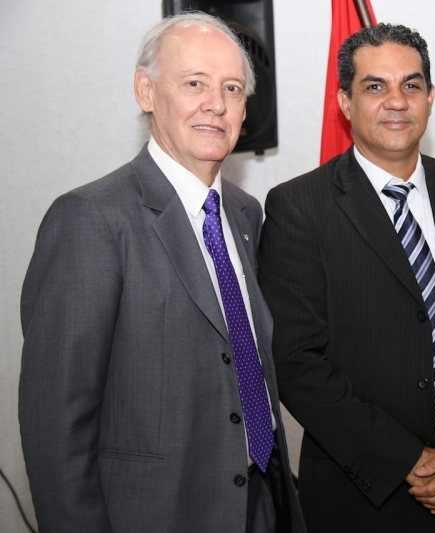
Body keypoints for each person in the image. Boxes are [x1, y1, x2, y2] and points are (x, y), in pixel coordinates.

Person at [19, 13, 305, 533]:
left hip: (262, 504)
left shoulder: (245, 215)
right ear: (146, 91)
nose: (215, 104)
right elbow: (55, 427)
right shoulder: (91, 219)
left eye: (232, 88)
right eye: (194, 83)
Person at [258, 23, 435, 533]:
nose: (397, 101)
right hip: (364, 497)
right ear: (345, 101)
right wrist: (407, 459)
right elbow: (296, 363)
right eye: (375, 86)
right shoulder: (299, 207)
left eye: (411, 85)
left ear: (430, 97)